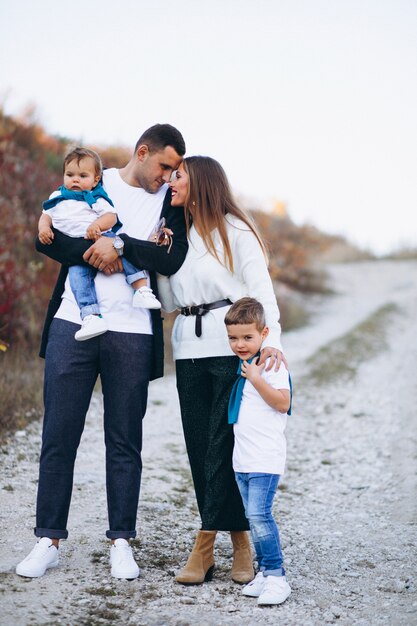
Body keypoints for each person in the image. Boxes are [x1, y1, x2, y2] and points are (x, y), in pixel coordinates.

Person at [15, 124, 187, 580]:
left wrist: (122, 244)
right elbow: (45, 236)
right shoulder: (92, 175)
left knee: (124, 440)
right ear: (143, 152)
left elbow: (170, 259)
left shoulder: (170, 202)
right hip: (73, 323)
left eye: (175, 170)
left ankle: (121, 543)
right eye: (164, 165)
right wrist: (97, 249)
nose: (168, 176)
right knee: (58, 434)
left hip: (133, 330)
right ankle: (47, 539)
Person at [167, 156, 285, 585]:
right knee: (200, 446)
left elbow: (262, 292)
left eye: (178, 175)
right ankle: (239, 539)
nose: (170, 181)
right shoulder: (176, 234)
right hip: (186, 346)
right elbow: (165, 299)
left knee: (222, 444)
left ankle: (204, 544)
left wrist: (271, 346)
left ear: (200, 182)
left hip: (229, 348)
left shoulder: (236, 232)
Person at [39, 147, 163, 342]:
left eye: (82, 175)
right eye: (69, 175)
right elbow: (46, 215)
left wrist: (97, 225)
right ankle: (91, 316)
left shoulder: (93, 196)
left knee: (123, 250)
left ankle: (141, 288)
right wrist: (44, 229)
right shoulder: (58, 197)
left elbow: (111, 217)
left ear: (95, 180)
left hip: (99, 236)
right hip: (78, 250)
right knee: (78, 279)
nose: (75, 180)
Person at [224, 297, 292, 606]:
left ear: (264, 334)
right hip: (244, 459)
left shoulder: (270, 365)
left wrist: (256, 378)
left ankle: (277, 577)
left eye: (247, 337)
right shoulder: (245, 364)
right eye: (233, 338)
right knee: (253, 518)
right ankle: (264, 572)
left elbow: (282, 403)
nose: (240, 344)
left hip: (265, 456)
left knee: (260, 515)